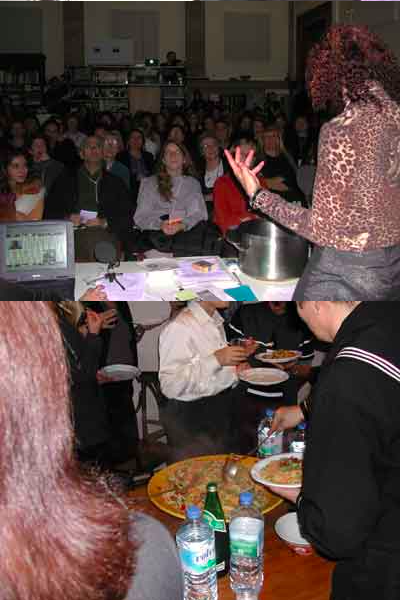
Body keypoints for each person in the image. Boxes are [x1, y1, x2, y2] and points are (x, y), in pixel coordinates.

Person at [0, 301, 183, 600]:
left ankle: (120, 476)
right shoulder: (147, 544)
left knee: (109, 448)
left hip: (102, 398)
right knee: (97, 459)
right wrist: (94, 336)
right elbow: (80, 370)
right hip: (89, 413)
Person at [225, 25, 400, 300]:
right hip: (393, 264)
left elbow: (322, 228)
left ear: (330, 72)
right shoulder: (394, 115)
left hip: (352, 270)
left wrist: (257, 194)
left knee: (303, 306)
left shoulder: (342, 129)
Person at [267, 301, 400, 600]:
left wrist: (302, 498)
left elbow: (338, 533)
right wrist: (303, 410)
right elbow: (377, 392)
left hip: (385, 561)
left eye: (298, 307)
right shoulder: (387, 321)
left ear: (316, 302)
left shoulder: (348, 375)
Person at [159, 300, 257, 460]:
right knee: (197, 473)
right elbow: (170, 386)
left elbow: (209, 376)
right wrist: (217, 359)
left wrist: (235, 371)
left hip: (220, 408)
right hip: (192, 416)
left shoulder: (215, 320)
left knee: (222, 468)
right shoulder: (180, 326)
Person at [44, 136, 135, 253]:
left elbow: (127, 215)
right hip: (73, 232)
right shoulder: (65, 180)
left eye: (98, 146)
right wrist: (67, 218)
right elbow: (50, 210)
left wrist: (104, 222)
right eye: (89, 146)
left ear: (103, 153)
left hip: (106, 233)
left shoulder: (115, 183)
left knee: (98, 241)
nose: (93, 148)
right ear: (81, 154)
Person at [134, 141, 208, 254]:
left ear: (184, 159)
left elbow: (198, 213)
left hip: (186, 237)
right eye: (168, 152)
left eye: (177, 152)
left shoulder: (192, 183)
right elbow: (141, 216)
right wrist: (160, 225)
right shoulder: (149, 183)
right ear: (163, 160)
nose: (173, 155)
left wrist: (182, 225)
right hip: (157, 238)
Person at [213, 135, 263, 236]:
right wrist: (249, 219)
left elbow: (266, 216)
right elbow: (223, 220)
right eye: (241, 154)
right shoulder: (222, 183)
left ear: (254, 159)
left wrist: (247, 219)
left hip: (257, 235)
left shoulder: (260, 182)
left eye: (249, 155)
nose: (244, 159)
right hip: (232, 236)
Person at [0, 150, 44, 221]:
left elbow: (35, 223)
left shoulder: (34, 190)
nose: (22, 170)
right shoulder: (2, 191)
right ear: (5, 168)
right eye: (16, 166)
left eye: (25, 165)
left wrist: (17, 216)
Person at [118, 128, 154, 196]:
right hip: (129, 191)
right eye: (133, 137)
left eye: (139, 137)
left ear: (143, 141)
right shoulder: (121, 157)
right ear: (128, 141)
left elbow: (153, 175)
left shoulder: (149, 156)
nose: (136, 140)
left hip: (148, 190)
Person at [29, 134, 64, 198]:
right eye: (36, 145)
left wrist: (49, 162)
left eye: (43, 144)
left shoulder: (57, 165)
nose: (40, 147)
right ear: (30, 151)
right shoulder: (26, 166)